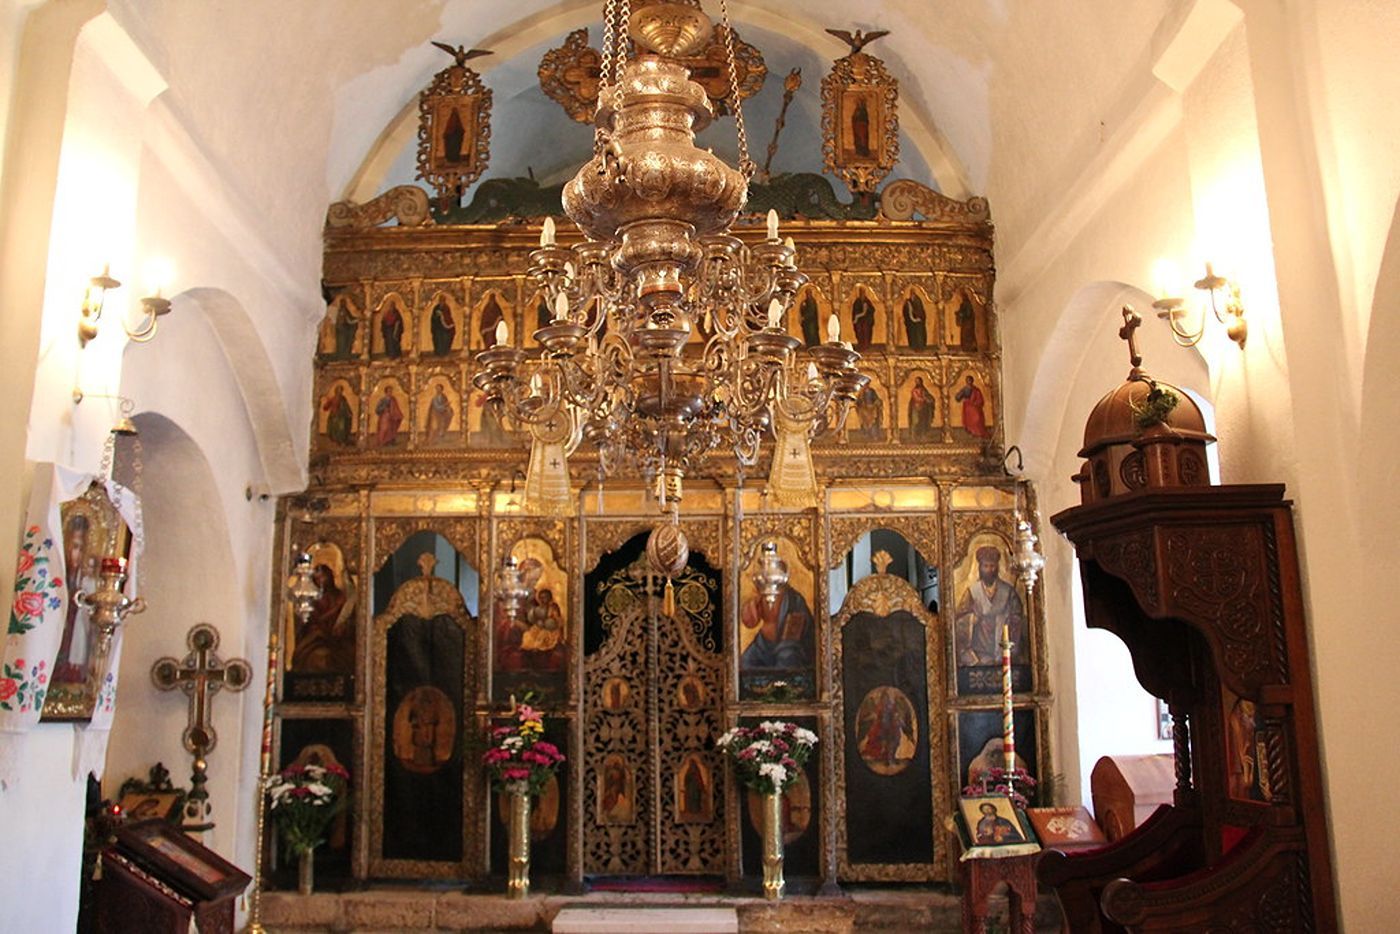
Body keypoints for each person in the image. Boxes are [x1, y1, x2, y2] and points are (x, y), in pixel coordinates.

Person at [955, 546, 1026, 667]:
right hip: (980, 651)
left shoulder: (1008, 591)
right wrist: (973, 619)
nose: (989, 570)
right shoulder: (972, 592)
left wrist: (1008, 619)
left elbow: (1018, 616)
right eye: (986, 566)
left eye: (992, 566)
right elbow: (959, 619)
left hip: (1004, 648)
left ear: (997, 567)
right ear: (980, 568)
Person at [291, 562, 354, 672]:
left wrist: (342, 627)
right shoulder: (313, 599)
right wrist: (335, 610)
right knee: (315, 658)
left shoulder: (340, 595)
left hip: (338, 640)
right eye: (318, 579)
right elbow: (312, 620)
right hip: (318, 638)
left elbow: (347, 617)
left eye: (323, 577)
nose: (321, 581)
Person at [740, 581, 813, 672]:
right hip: (765, 646)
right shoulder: (762, 598)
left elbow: (789, 656)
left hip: (792, 651)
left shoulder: (794, 602)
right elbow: (751, 621)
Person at [907, 376, 935, 441]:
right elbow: (916, 398)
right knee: (915, 422)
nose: (917, 382)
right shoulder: (914, 390)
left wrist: (930, 400)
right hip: (915, 408)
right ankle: (913, 436)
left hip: (923, 409)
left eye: (918, 381)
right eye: (916, 381)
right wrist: (925, 399)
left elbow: (929, 397)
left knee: (923, 422)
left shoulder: (924, 390)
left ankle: (923, 436)